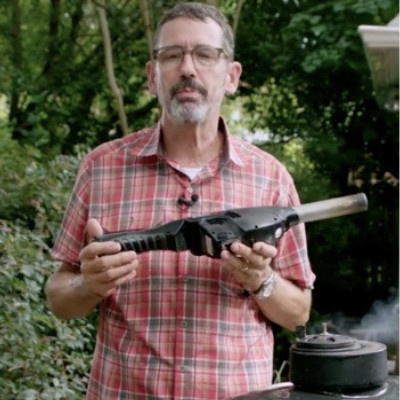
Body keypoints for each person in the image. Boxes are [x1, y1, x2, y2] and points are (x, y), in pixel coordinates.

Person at [45, 2, 315, 399]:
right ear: (152, 77)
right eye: (172, 55)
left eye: (204, 54)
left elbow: (299, 312)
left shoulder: (270, 178)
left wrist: (262, 280)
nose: (187, 68)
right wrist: (89, 284)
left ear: (232, 76)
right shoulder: (102, 168)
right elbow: (59, 298)